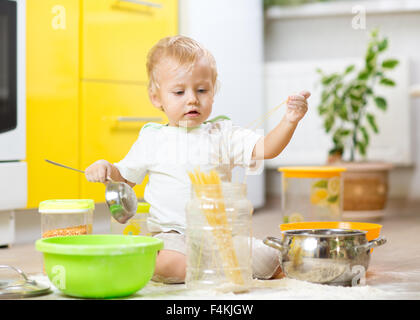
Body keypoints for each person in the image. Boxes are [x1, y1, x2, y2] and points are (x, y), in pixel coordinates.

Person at [85, 35, 310, 284]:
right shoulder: (152, 138)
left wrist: (290, 120)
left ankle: (212, 267)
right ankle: (214, 269)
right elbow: (124, 180)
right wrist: (106, 169)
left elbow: (266, 149)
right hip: (173, 237)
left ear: (213, 93)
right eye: (179, 91)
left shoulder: (223, 133)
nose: (192, 98)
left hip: (223, 237)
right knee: (167, 264)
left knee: (276, 259)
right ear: (156, 98)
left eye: (202, 90)